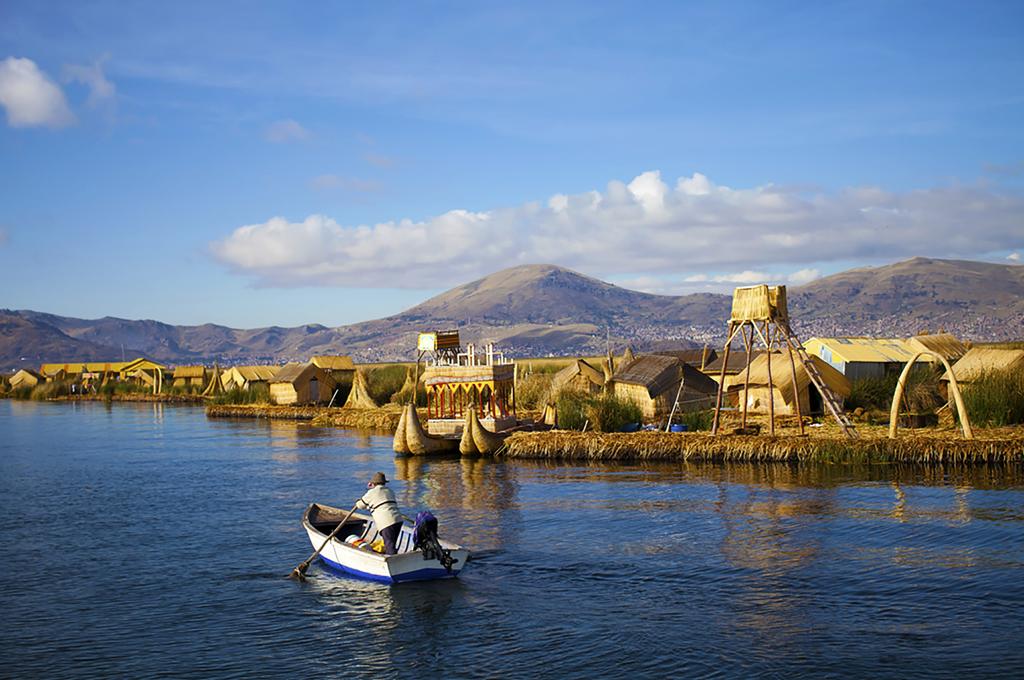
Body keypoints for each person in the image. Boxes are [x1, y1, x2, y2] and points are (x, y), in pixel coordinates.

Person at [355, 472, 404, 555]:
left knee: (389, 545)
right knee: (392, 543)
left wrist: (358, 500)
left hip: (386, 522)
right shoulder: (389, 491)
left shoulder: (372, 492)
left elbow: (360, 505)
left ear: (373, 483)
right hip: (398, 520)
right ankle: (393, 556)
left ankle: (392, 560)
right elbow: (380, 503)